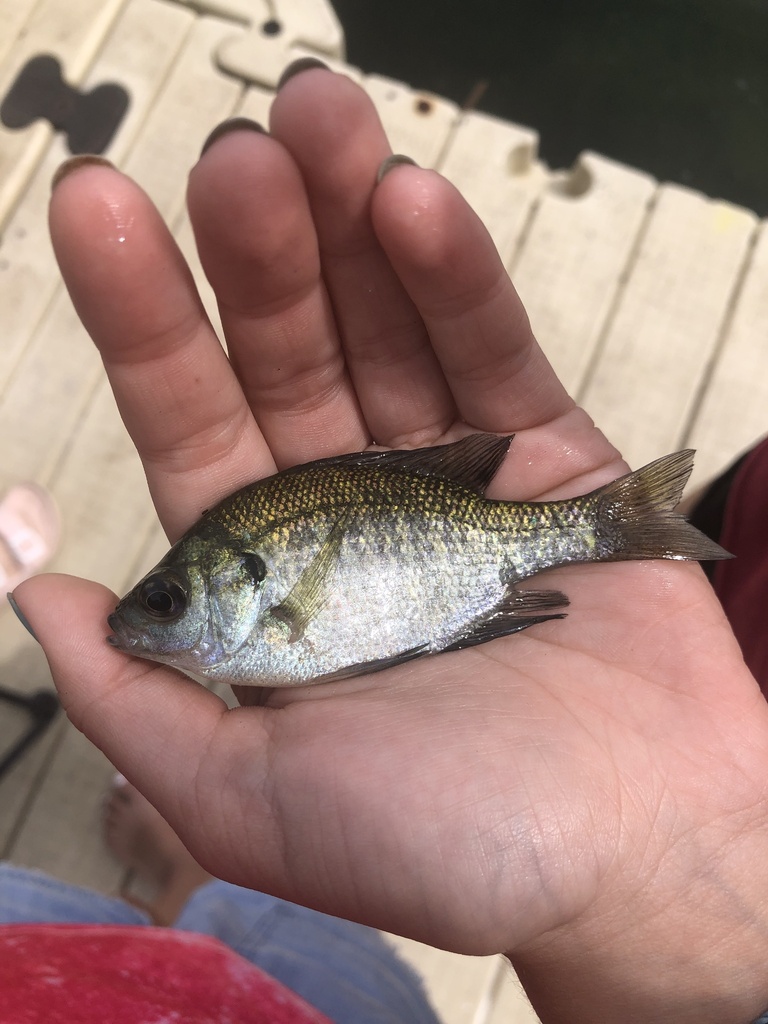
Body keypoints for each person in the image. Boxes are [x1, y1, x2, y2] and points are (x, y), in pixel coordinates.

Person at [7, 58, 768, 1023]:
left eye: (170, 599)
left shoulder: (260, 613)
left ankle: (622, 524)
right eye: (162, 598)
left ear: (235, 582)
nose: (146, 616)